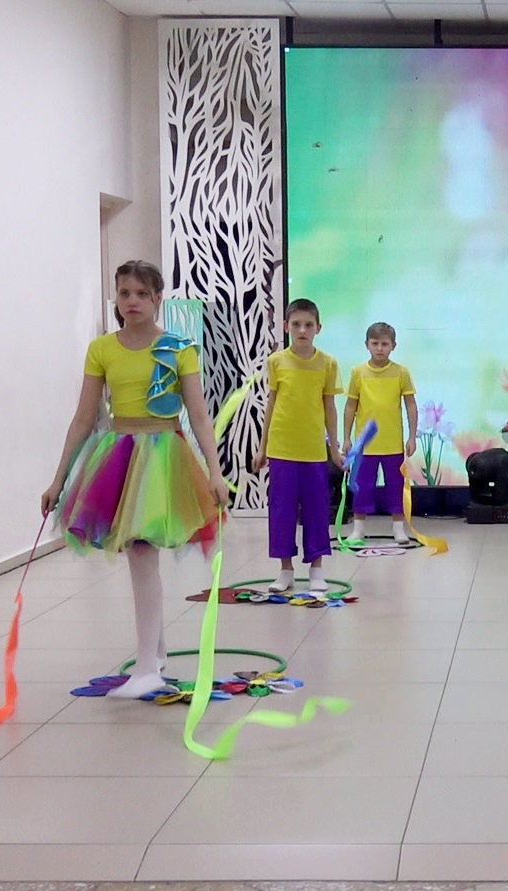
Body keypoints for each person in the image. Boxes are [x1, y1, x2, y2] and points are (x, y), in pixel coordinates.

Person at [41, 260, 227, 699]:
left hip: (164, 457)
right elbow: (83, 417)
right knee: (138, 553)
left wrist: (215, 471)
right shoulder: (102, 349)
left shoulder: (179, 349)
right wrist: (58, 480)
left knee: (142, 552)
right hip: (119, 456)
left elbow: (199, 415)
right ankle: (155, 654)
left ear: (158, 298)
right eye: (125, 293)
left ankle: (146, 667)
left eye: (142, 294)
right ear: (116, 298)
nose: (133, 302)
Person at [253, 298, 343, 593]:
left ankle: (316, 569)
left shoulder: (328, 363)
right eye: (296, 324)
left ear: (318, 328)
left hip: (313, 451)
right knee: (282, 510)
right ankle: (285, 570)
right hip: (282, 449)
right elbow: (271, 403)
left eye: (308, 325)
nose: (302, 330)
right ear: (286, 326)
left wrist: (334, 449)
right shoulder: (276, 361)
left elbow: (329, 407)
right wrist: (263, 447)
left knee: (317, 509)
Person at [342, 322, 416, 545]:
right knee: (362, 486)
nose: (380, 348)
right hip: (365, 445)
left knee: (395, 486)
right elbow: (350, 406)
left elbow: (410, 405)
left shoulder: (401, 372)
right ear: (367, 345)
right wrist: (346, 438)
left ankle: (398, 528)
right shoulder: (358, 372)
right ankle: (358, 529)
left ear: (393, 346)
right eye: (375, 343)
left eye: (384, 344)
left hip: (392, 443)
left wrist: (412, 437)